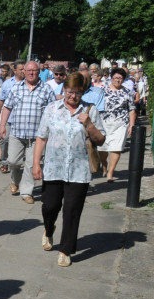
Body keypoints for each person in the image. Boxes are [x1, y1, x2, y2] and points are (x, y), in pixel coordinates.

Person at [32, 72, 105, 268]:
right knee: (50, 206)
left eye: (78, 93)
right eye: (70, 92)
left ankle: (65, 250)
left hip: (79, 170)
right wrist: (36, 163)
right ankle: (48, 230)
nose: (73, 97)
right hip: (53, 168)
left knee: (72, 210)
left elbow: (101, 139)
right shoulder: (51, 109)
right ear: (64, 90)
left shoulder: (90, 110)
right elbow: (41, 137)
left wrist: (88, 124)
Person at [0, 60, 52, 204]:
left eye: (34, 71)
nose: (31, 73)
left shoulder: (46, 89)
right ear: (24, 72)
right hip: (17, 132)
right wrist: (2, 125)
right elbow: (7, 107)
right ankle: (15, 181)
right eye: (28, 71)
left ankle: (26, 192)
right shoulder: (16, 88)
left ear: (39, 72)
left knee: (30, 164)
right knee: (13, 161)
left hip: (37, 136)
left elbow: (53, 110)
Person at [97, 67, 136, 183]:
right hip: (103, 122)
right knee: (102, 148)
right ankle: (104, 164)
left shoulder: (127, 92)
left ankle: (110, 172)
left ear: (123, 79)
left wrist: (131, 125)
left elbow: (132, 109)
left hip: (121, 123)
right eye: (116, 78)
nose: (118, 80)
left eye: (120, 78)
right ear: (111, 78)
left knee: (116, 148)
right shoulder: (102, 91)